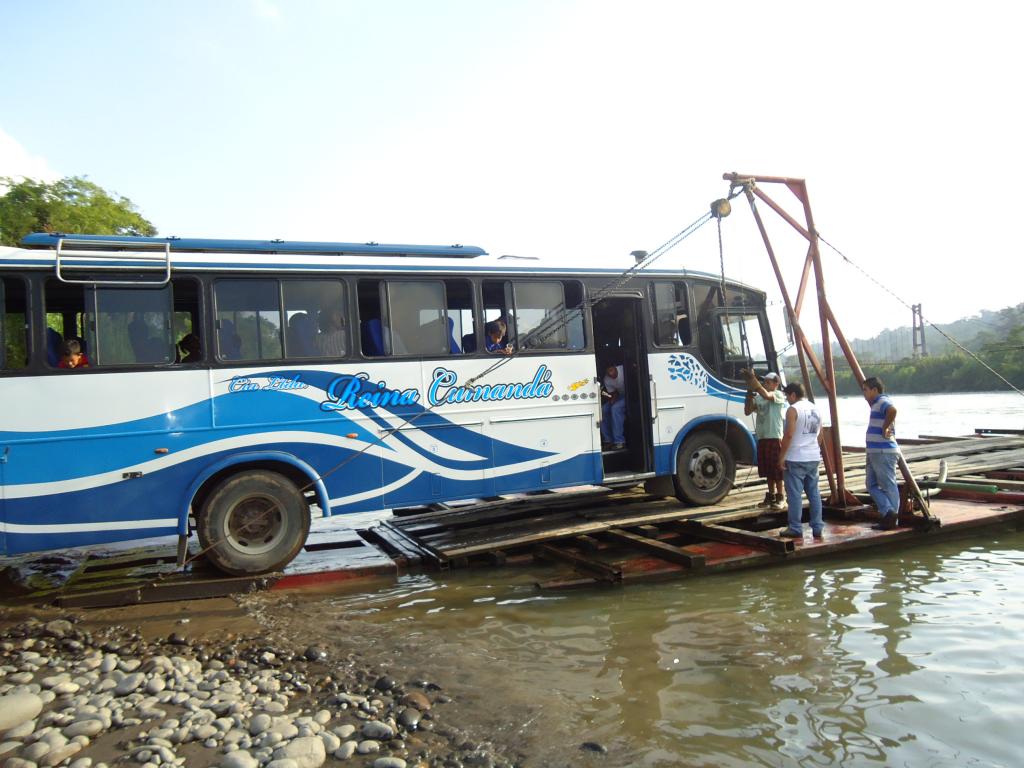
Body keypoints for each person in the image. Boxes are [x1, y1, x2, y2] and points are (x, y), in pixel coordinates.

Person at [777, 382, 823, 540]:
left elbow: (789, 434)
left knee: (795, 494)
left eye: (787, 396)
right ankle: (817, 527)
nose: (787, 399)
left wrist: (782, 456)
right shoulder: (815, 408)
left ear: (793, 395)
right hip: (813, 456)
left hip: (796, 457)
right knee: (814, 493)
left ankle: (795, 527)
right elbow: (820, 434)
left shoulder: (793, 409)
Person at [743, 369, 787, 510]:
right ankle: (771, 495)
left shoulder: (779, 395)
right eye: (764, 382)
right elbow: (748, 411)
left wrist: (753, 382)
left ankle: (781, 496)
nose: (765, 384)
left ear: (776, 384)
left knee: (777, 469)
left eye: (768, 382)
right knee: (768, 469)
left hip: (774, 436)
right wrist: (749, 395)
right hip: (763, 437)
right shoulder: (759, 397)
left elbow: (767, 395)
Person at [862, 375, 900, 530]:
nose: (863, 394)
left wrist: (884, 427)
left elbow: (893, 410)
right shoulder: (876, 403)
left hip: (883, 450)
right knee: (870, 484)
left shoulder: (883, 401)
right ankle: (888, 512)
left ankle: (891, 519)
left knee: (888, 485)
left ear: (874, 390)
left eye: (865, 390)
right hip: (874, 450)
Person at [601, 363, 626, 449]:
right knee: (603, 410)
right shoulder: (607, 379)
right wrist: (613, 399)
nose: (610, 374)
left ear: (615, 367)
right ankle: (608, 439)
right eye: (608, 372)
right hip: (620, 396)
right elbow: (613, 392)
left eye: (611, 370)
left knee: (615, 408)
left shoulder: (623, 369)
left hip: (632, 395)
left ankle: (619, 441)